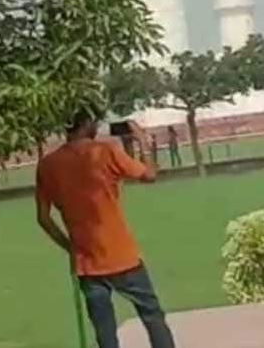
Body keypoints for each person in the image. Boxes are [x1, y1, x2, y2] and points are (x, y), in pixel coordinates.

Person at [36, 110, 175, 348]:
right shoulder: (104, 151)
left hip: (87, 263)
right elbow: (149, 174)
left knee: (104, 329)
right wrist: (142, 141)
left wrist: (71, 247)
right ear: (87, 123)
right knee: (152, 315)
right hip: (122, 257)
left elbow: (44, 218)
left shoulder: (48, 165)